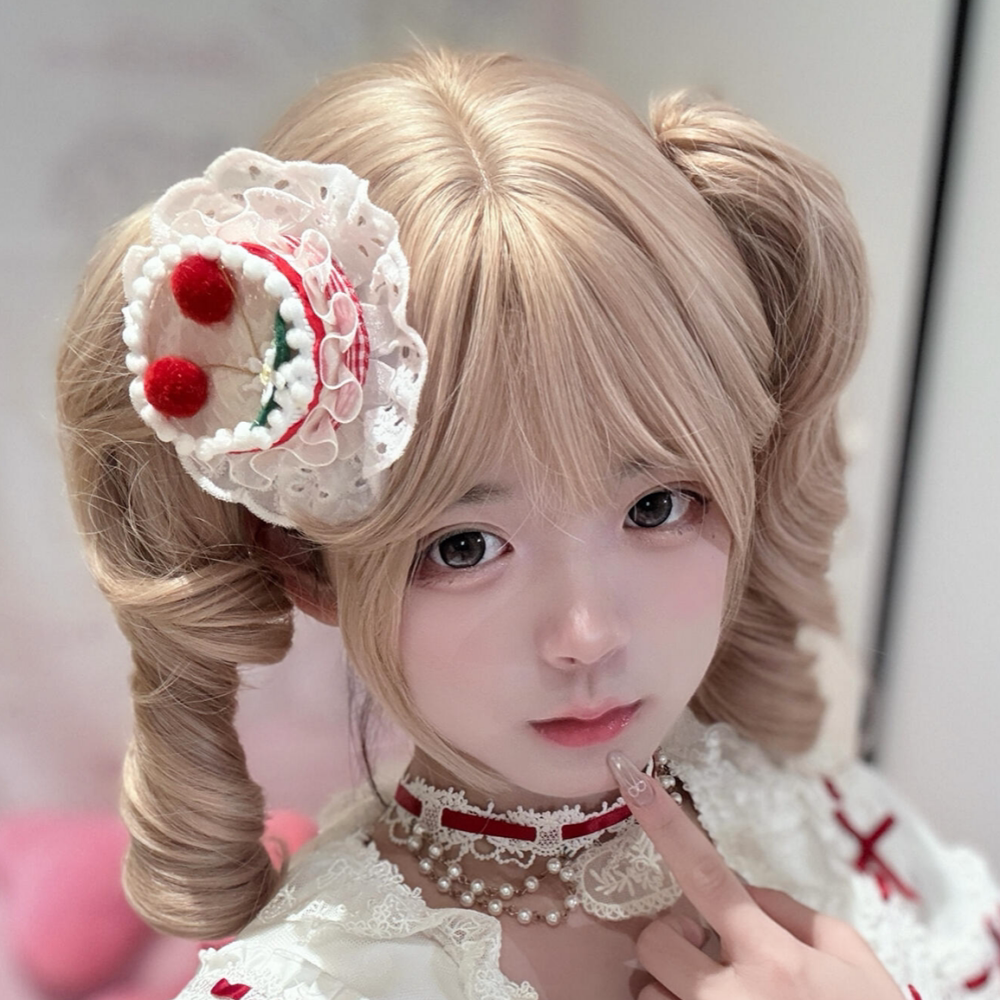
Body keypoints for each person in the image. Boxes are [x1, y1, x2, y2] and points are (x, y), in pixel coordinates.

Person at [56, 48, 999, 1000]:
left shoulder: (829, 819)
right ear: (305, 561)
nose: (587, 635)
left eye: (657, 506)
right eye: (464, 546)